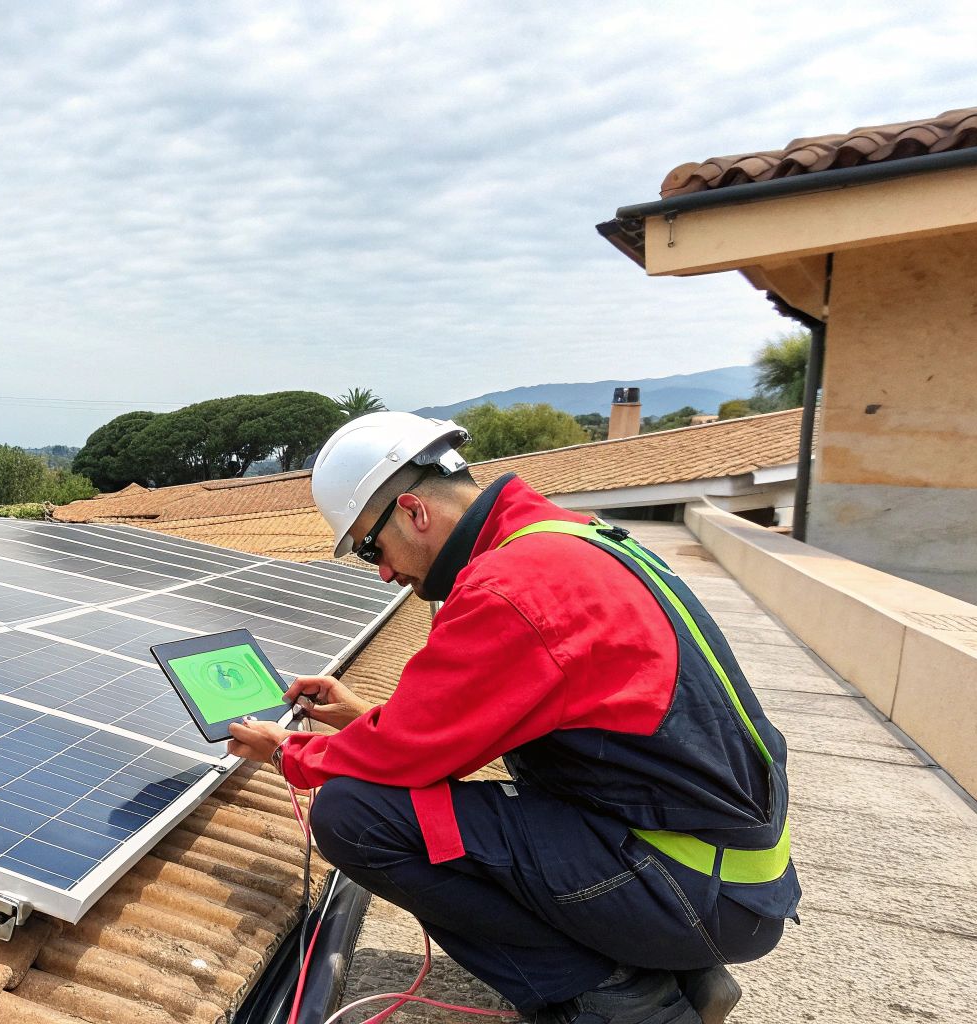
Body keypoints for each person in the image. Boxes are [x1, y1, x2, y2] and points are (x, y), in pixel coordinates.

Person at [227, 412, 798, 1024]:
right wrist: (362, 715)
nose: (386, 572)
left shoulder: (511, 588)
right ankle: (674, 967)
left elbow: (406, 755)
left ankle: (621, 1001)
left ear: (415, 511)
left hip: (693, 889)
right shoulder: (566, 538)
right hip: (724, 873)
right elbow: (498, 717)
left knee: (354, 814)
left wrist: (287, 752)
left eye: (372, 548)